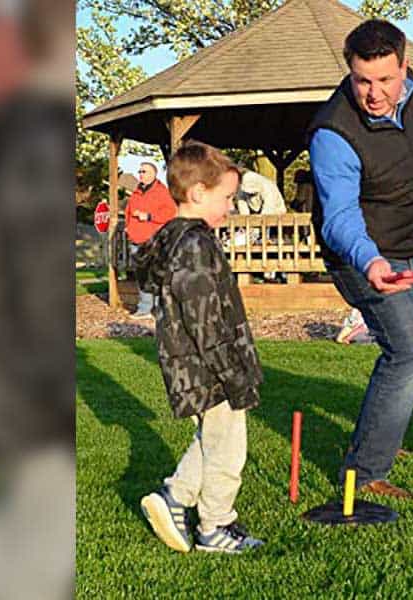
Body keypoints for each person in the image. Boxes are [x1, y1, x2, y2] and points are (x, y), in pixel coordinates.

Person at [307, 19, 413, 498]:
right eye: (362, 81)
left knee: (411, 346)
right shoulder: (333, 134)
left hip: (406, 245)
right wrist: (371, 262)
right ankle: (365, 471)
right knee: (408, 350)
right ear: (349, 72)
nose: (374, 94)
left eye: (385, 80)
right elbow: (339, 217)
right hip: (361, 255)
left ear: (405, 67)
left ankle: (382, 436)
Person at [133, 141, 264, 554]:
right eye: (226, 197)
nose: (230, 206)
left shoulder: (176, 240)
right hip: (209, 367)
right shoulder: (194, 246)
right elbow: (205, 321)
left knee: (212, 438)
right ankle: (214, 524)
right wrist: (233, 372)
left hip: (194, 365)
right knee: (227, 449)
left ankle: (175, 497)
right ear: (197, 193)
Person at [124, 161, 177, 318]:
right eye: (140, 171)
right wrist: (128, 228)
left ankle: (160, 309)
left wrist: (149, 216)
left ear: (154, 174)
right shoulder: (136, 193)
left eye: (144, 171)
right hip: (136, 240)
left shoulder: (162, 192)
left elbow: (171, 213)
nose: (140, 174)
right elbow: (128, 212)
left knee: (157, 275)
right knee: (142, 275)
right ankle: (144, 309)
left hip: (154, 240)